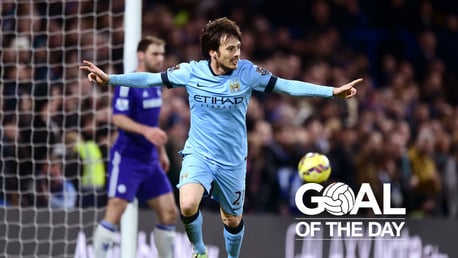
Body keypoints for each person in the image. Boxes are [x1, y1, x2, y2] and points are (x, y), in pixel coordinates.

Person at [81, 17, 362, 258]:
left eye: (238, 47)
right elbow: (150, 79)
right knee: (188, 204)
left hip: (233, 161)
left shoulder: (248, 72)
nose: (237, 53)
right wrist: (111, 79)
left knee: (232, 219)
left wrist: (331, 92)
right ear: (213, 53)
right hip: (199, 153)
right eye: (230, 48)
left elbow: (287, 86)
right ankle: (200, 250)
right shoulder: (191, 72)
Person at [92, 36, 178, 258]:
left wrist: (159, 151)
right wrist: (146, 132)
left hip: (150, 160)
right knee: (116, 209)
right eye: (154, 54)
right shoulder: (127, 81)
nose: (160, 59)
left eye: (162, 54)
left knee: (169, 213)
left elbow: (152, 122)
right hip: (128, 158)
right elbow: (118, 118)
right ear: (141, 55)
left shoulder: (155, 82)